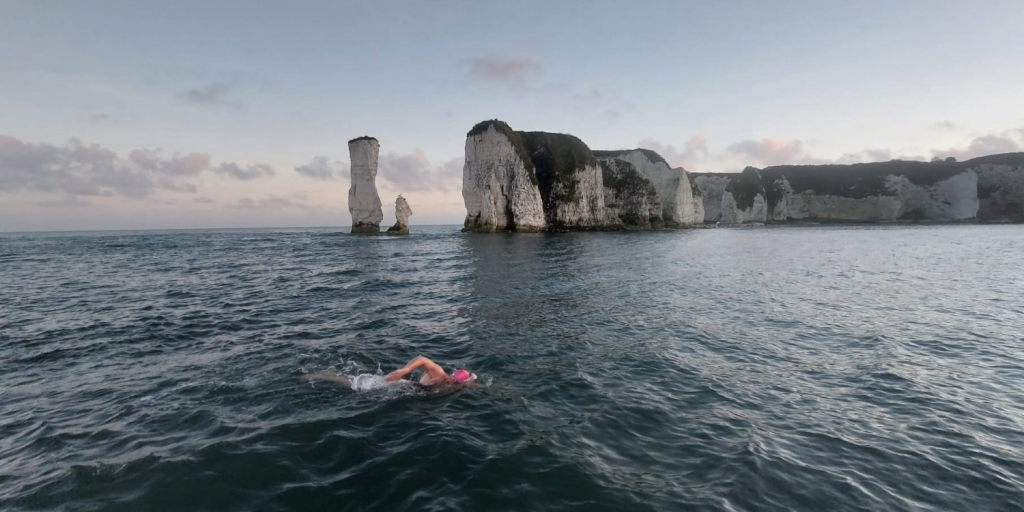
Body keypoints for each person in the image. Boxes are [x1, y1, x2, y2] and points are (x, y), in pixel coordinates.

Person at [299, 355, 476, 391]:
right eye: (451, 379)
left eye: (454, 383)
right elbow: (422, 359)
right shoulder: (440, 375)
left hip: (404, 391)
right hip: (396, 384)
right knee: (353, 383)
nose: (449, 382)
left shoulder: (454, 387)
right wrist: (404, 371)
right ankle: (315, 376)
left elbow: (477, 386)